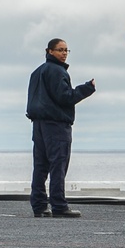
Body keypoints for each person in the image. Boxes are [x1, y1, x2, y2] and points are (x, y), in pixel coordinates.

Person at [26, 38, 96, 218]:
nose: (64, 53)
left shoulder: (37, 72)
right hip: (56, 125)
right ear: (49, 51)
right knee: (58, 165)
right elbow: (65, 97)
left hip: (38, 125)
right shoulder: (57, 71)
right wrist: (87, 88)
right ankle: (59, 206)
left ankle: (39, 206)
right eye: (60, 50)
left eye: (66, 50)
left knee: (40, 166)